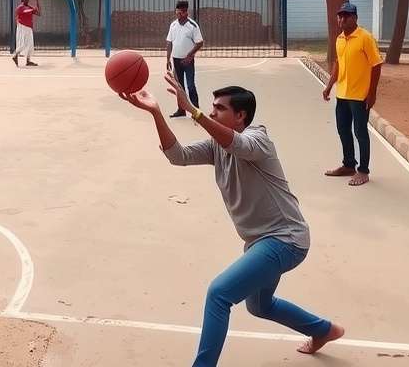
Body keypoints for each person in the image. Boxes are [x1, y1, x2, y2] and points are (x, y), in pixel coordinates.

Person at [119, 74, 344, 366]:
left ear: (241, 116)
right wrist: (156, 113)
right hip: (260, 242)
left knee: (219, 294)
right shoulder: (217, 146)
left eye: (219, 108)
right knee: (260, 306)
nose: (211, 111)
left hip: (286, 239)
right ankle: (325, 330)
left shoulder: (258, 139)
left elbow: (239, 145)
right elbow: (179, 156)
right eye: (211, 107)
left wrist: (194, 111)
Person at [322, 2, 383, 187]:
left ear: (355, 18)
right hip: (343, 95)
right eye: (340, 16)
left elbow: (376, 65)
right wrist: (329, 86)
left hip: (360, 97)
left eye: (346, 16)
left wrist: (372, 94)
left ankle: (363, 171)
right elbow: (338, 65)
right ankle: (348, 165)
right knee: (343, 130)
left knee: (360, 133)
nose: (342, 19)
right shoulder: (340, 39)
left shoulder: (365, 37)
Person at [166, 0, 203, 117]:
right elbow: (169, 42)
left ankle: (196, 111)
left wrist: (190, 55)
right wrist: (168, 59)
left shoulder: (192, 26)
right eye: (177, 12)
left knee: (190, 85)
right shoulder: (173, 25)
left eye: (181, 13)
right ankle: (181, 110)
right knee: (179, 87)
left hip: (188, 61)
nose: (178, 15)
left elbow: (200, 43)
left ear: (186, 12)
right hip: (176, 60)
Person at [11, 0, 41, 67]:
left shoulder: (29, 7)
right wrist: (33, 9)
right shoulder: (20, 7)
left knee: (30, 44)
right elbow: (26, 11)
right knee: (23, 43)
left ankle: (28, 61)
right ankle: (15, 55)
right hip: (22, 27)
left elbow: (39, 13)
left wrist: (37, 0)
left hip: (29, 27)